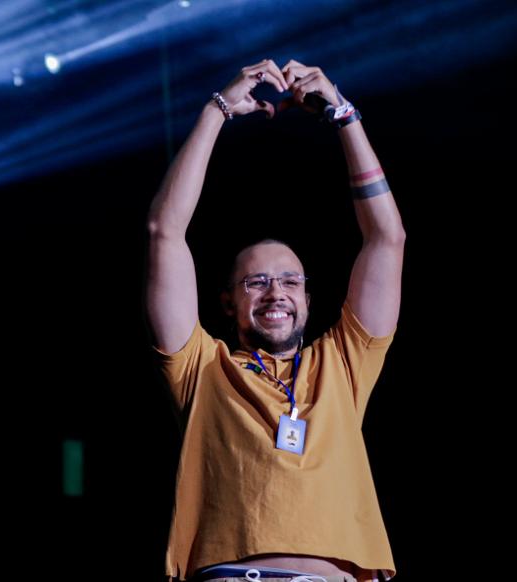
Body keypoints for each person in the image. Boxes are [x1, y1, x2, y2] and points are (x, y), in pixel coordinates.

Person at [146, 59, 406, 582]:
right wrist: (216, 111)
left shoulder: (344, 363)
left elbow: (387, 239)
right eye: (256, 282)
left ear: (309, 299)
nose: (276, 294)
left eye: (290, 282)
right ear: (226, 302)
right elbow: (164, 233)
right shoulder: (202, 367)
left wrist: (343, 114)